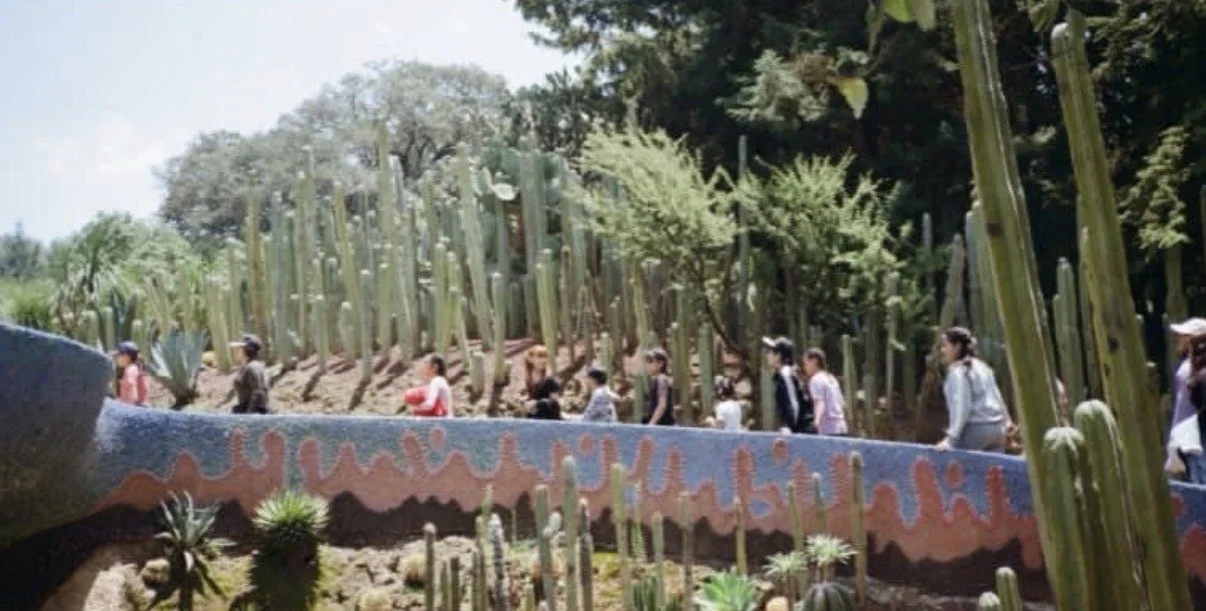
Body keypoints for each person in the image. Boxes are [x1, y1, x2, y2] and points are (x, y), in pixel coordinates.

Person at [936, 327, 1011, 451]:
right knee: (991, 464)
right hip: (998, 429)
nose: (942, 350)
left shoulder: (958, 371)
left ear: (957, 346)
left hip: (975, 429)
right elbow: (997, 398)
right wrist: (1008, 424)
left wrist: (951, 438)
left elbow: (962, 406)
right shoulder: (983, 367)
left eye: (945, 345)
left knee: (954, 461)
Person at [762, 336, 813, 434]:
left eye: (770, 352)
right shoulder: (789, 373)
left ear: (778, 356)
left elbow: (793, 404)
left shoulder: (786, 374)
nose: (767, 355)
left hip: (801, 430)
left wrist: (789, 427)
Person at [803, 348, 848, 436]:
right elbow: (842, 404)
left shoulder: (816, 379)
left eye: (806, 363)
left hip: (829, 430)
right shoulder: (831, 378)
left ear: (814, 361)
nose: (805, 367)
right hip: (841, 427)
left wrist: (816, 423)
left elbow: (820, 402)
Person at [229, 334, 270, 414]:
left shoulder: (253, 367)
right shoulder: (250, 367)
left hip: (253, 415)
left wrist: (249, 415)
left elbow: (258, 393)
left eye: (239, 349)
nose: (236, 352)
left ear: (246, 350)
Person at [642, 348, 675, 426]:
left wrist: (651, 424)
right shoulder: (659, 380)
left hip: (663, 424)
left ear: (660, 364)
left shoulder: (661, 379)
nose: (648, 365)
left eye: (651, 362)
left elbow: (662, 405)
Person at [111, 341, 148, 406]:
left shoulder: (130, 370)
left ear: (127, 357)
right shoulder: (136, 369)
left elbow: (133, 397)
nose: (116, 358)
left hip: (132, 410)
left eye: (117, 356)